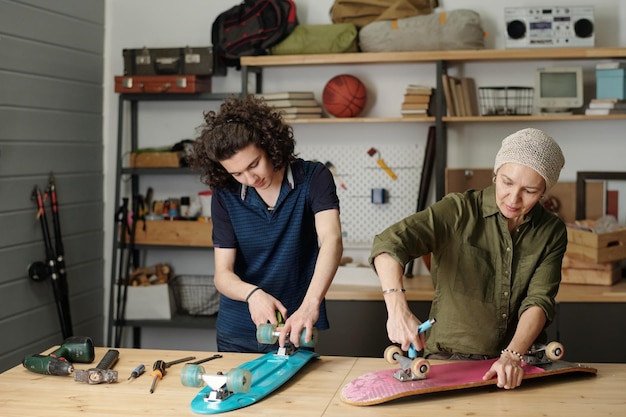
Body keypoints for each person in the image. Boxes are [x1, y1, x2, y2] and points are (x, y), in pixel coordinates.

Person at [369, 127, 566, 390]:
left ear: (544, 191)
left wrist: (513, 354)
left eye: (529, 190)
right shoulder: (458, 211)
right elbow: (389, 243)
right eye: (507, 182)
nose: (514, 198)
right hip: (448, 359)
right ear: (496, 174)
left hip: (518, 361)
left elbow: (539, 300)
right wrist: (397, 309)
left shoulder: (551, 230)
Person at [187, 94, 343, 353]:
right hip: (238, 328)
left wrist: (310, 305)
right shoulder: (225, 194)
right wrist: (253, 295)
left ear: (270, 146)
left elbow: (332, 240)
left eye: (254, 164)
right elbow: (223, 274)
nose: (249, 178)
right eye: (237, 173)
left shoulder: (313, 178)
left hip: (296, 325)